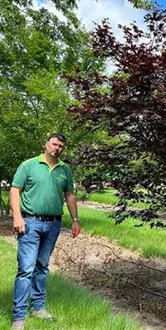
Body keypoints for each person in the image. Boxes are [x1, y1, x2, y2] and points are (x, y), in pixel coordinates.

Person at [9, 133, 81, 330]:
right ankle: (19, 316)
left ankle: (38, 308)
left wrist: (75, 219)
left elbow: (70, 195)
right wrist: (17, 216)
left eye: (61, 146)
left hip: (53, 225)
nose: (57, 148)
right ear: (46, 143)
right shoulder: (29, 165)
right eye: (54, 144)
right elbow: (15, 189)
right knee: (26, 269)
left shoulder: (64, 170)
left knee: (42, 267)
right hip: (30, 223)